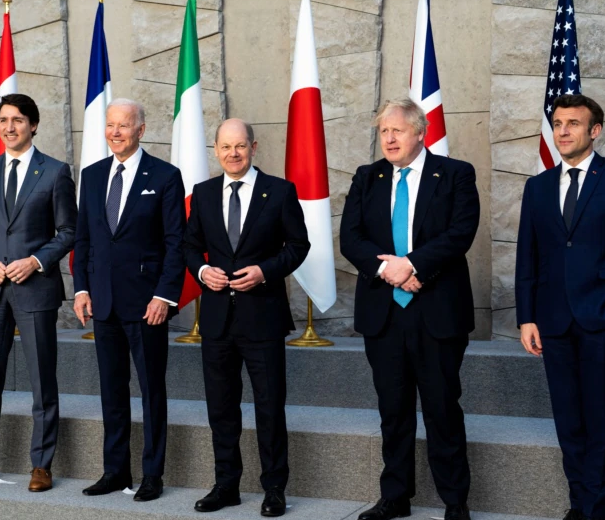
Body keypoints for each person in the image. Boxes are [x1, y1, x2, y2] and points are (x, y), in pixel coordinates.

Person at [340, 98, 478, 520]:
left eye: (397, 130)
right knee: (393, 410)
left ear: (420, 132)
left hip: (436, 312)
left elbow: (460, 233)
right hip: (385, 313)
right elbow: (351, 238)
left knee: (442, 408)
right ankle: (395, 497)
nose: (389, 138)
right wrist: (391, 271)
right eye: (384, 131)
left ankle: (455, 501)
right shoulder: (367, 177)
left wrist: (413, 265)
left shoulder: (455, 173)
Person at [516, 94, 605, 520]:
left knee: (601, 419)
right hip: (553, 321)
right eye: (557, 123)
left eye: (573, 123)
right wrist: (526, 317)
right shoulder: (537, 187)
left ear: (595, 130)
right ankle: (578, 502)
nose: (563, 131)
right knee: (569, 420)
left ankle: (594, 509)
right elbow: (527, 257)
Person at [183, 119, 309, 517]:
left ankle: (274, 489)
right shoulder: (203, 194)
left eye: (240, 146)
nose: (233, 153)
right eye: (225, 147)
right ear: (216, 150)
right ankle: (226, 486)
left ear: (253, 147)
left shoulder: (280, 191)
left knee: (269, 407)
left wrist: (265, 271)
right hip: (217, 319)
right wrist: (203, 271)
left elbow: (299, 245)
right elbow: (189, 246)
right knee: (221, 408)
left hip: (263, 318)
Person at [0, 94, 77, 492]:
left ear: (33, 125)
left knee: (42, 382)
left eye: (18, 120)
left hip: (35, 289)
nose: (10, 127)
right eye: (4, 120)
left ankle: (41, 465)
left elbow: (69, 231)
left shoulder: (55, 172)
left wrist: (36, 261)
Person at [71, 98, 186, 502]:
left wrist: (164, 296)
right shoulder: (92, 175)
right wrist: (81, 289)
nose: (115, 132)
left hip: (147, 304)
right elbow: (83, 239)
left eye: (124, 125)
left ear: (141, 129)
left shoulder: (165, 176)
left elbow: (175, 243)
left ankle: (152, 474)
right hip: (102, 303)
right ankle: (115, 470)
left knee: (151, 391)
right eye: (110, 125)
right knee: (112, 391)